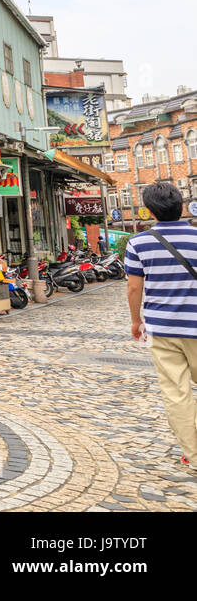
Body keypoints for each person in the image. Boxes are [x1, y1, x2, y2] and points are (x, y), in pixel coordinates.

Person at [126, 182, 197, 475]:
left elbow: (133, 288)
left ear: (150, 211)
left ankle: (193, 455)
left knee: (176, 392)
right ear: (182, 206)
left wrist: (135, 320)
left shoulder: (139, 243)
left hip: (164, 328)